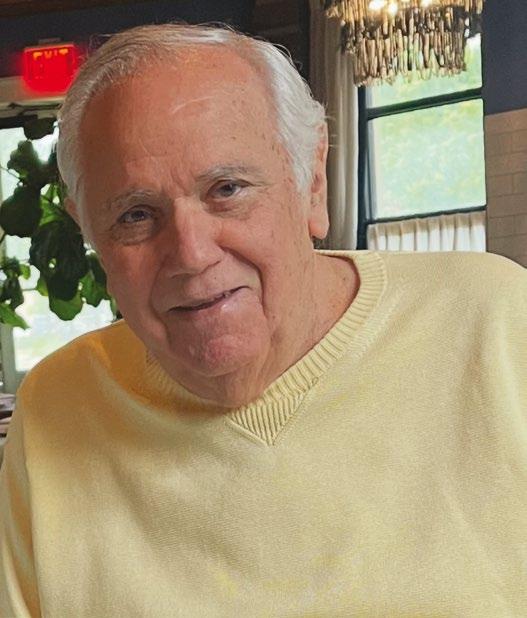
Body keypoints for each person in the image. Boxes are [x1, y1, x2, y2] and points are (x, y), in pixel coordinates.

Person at [0, 22, 526, 617]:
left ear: (313, 182)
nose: (192, 254)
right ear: (90, 231)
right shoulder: (58, 406)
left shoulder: (495, 320)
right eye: (136, 215)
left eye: (227, 188)